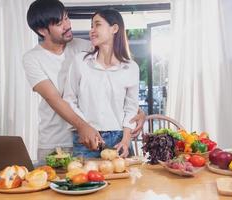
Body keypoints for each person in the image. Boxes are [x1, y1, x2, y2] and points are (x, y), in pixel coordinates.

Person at [23, 0, 145, 160]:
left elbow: (113, 82)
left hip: (93, 137)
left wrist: (139, 113)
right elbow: (55, 99)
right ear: (42, 31)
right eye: (60, 23)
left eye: (66, 18)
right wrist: (83, 127)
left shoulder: (85, 47)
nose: (67, 25)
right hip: (56, 140)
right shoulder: (32, 58)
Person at [63, 9, 139, 158]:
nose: (92, 30)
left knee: (124, 181)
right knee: (85, 180)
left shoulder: (131, 67)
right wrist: (84, 127)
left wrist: (126, 139)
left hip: (119, 139)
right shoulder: (80, 61)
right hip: (87, 138)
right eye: (91, 26)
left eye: (97, 25)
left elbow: (131, 108)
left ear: (114, 29)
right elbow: (69, 99)